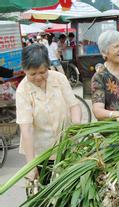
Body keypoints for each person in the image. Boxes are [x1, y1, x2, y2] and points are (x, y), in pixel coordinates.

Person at [16, 43, 81, 182]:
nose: (38, 77)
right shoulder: (23, 90)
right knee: (44, 194)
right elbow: (26, 129)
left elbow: (74, 106)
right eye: (32, 74)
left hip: (67, 147)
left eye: (42, 72)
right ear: (24, 70)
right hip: (41, 154)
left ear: (48, 66)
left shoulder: (59, 78)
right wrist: (31, 165)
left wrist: (75, 126)